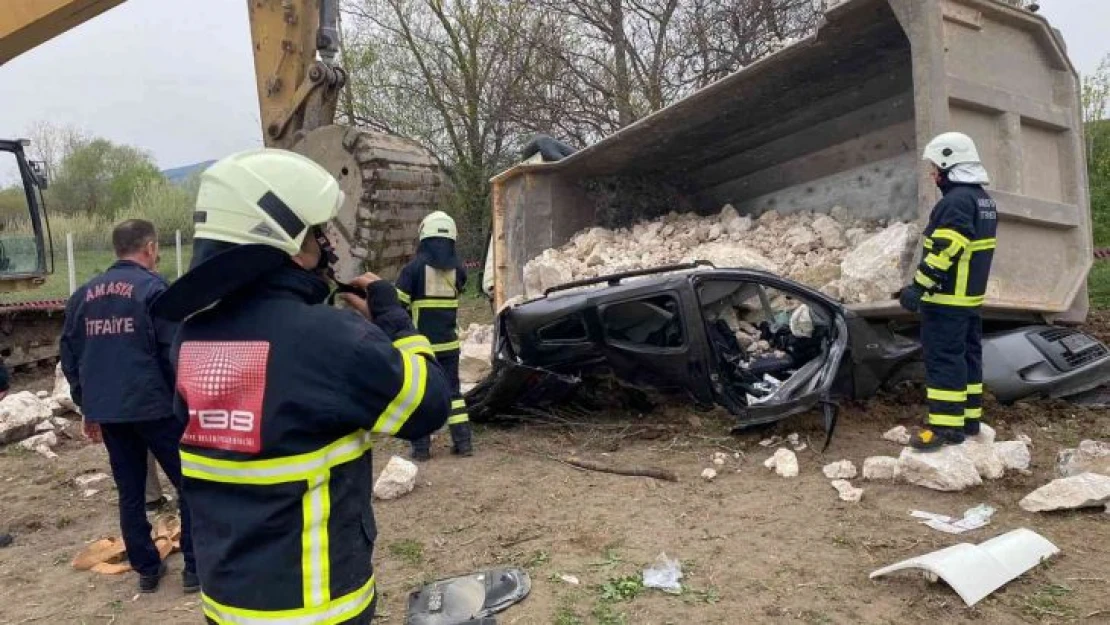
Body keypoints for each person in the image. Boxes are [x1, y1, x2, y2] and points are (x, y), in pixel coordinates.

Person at [151, 148, 451, 624]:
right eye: (317, 232)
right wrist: (392, 320)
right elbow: (430, 404)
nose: (327, 244)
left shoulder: (191, 339)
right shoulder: (330, 338)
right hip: (315, 607)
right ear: (289, 242)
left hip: (226, 602)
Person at [59, 219, 196, 593]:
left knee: (131, 492)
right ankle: (195, 570)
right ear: (149, 248)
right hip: (157, 407)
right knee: (189, 484)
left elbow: (70, 356)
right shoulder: (155, 290)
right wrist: (185, 401)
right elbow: (175, 352)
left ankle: (147, 570)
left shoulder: (82, 296)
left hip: (111, 411)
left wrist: (88, 406)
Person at [899, 132, 998, 450]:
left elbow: (946, 249)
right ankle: (968, 421)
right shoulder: (983, 201)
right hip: (969, 300)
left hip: (946, 300)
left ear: (948, 163)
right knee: (968, 357)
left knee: (944, 360)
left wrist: (918, 287)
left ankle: (944, 428)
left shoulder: (955, 202)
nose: (932, 174)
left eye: (935, 168)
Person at [395, 211, 473, 460]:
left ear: (423, 237)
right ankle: (463, 443)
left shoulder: (413, 269)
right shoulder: (459, 270)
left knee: (420, 394)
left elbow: (397, 306)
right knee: (454, 395)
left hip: (421, 346)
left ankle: (420, 450)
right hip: (449, 344)